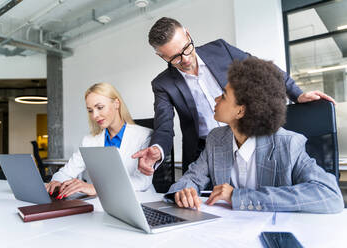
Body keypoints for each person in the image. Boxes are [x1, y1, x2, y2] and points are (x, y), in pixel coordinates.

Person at [132, 17, 336, 175]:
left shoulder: (220, 49)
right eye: (175, 58)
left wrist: (297, 94)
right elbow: (164, 126)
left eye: (186, 48)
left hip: (245, 138)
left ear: (187, 34)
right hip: (203, 151)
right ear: (161, 56)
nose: (185, 59)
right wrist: (157, 149)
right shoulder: (162, 84)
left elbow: (262, 69)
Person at [164, 57, 343, 213]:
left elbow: (330, 195)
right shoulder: (216, 139)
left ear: (241, 111)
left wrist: (238, 196)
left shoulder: (287, 144)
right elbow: (193, 178)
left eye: (224, 95)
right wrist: (184, 190)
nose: (216, 99)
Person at [46, 83, 153, 199]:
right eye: (90, 110)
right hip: (100, 204)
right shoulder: (89, 140)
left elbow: (142, 181)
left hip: (139, 202)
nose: (95, 115)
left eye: (100, 107)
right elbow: (67, 172)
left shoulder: (145, 135)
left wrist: (95, 188)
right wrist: (56, 182)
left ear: (116, 103)